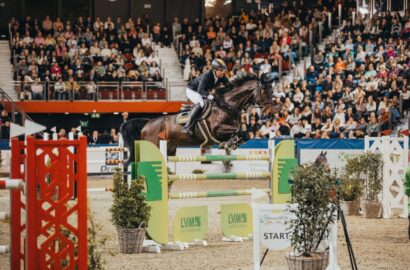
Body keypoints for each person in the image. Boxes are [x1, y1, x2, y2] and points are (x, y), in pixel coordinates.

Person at [182, 59, 229, 134]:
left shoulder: (222, 76)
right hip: (192, 90)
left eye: (223, 70)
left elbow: (229, 86)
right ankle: (187, 125)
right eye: (221, 70)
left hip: (203, 91)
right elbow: (200, 91)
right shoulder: (206, 76)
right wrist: (210, 96)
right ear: (214, 70)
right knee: (201, 103)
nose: (223, 72)